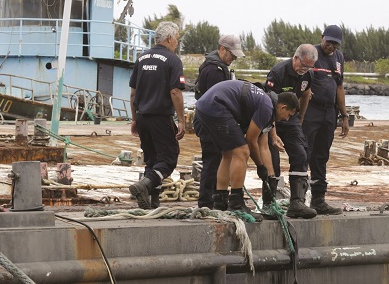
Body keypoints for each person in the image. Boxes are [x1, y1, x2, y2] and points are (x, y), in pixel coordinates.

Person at [194, 80, 299, 220]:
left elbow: (263, 146)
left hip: (203, 107)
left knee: (227, 153)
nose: (287, 119)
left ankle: (220, 201)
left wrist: (270, 175)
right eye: (289, 115)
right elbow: (250, 140)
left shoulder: (265, 104)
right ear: (282, 107)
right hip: (216, 105)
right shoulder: (266, 107)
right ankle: (236, 203)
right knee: (242, 152)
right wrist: (260, 166)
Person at [128, 21, 186, 209]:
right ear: (169, 38)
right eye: (176, 39)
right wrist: (182, 121)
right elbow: (175, 92)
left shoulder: (141, 58)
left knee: (152, 159)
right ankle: (144, 185)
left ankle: (152, 202)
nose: (176, 42)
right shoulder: (173, 60)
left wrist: (134, 119)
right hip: (160, 117)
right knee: (168, 159)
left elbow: (133, 93)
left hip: (142, 116)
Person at [264, 44, 318, 219]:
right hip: (272, 117)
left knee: (301, 154)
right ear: (295, 58)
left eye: (309, 67)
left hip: (291, 118)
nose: (305, 70)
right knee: (272, 160)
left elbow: (306, 92)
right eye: (303, 65)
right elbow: (267, 104)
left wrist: (299, 119)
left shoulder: (308, 74)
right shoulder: (278, 72)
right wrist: (273, 134)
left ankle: (297, 202)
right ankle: (269, 204)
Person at [193, 34, 245, 210]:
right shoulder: (214, 70)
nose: (233, 59)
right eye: (232, 55)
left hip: (209, 121)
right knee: (212, 162)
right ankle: (206, 203)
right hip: (209, 123)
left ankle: (215, 200)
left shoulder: (218, 68)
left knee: (217, 160)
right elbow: (215, 101)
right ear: (223, 49)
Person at [303, 25, 350, 215]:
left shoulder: (339, 58)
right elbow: (301, 80)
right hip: (311, 111)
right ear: (322, 37)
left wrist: (344, 116)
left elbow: (339, 87)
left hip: (329, 112)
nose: (331, 47)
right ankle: (298, 198)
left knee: (321, 155)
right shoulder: (311, 54)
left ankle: (319, 199)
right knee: (304, 152)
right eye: (328, 42)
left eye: (335, 44)